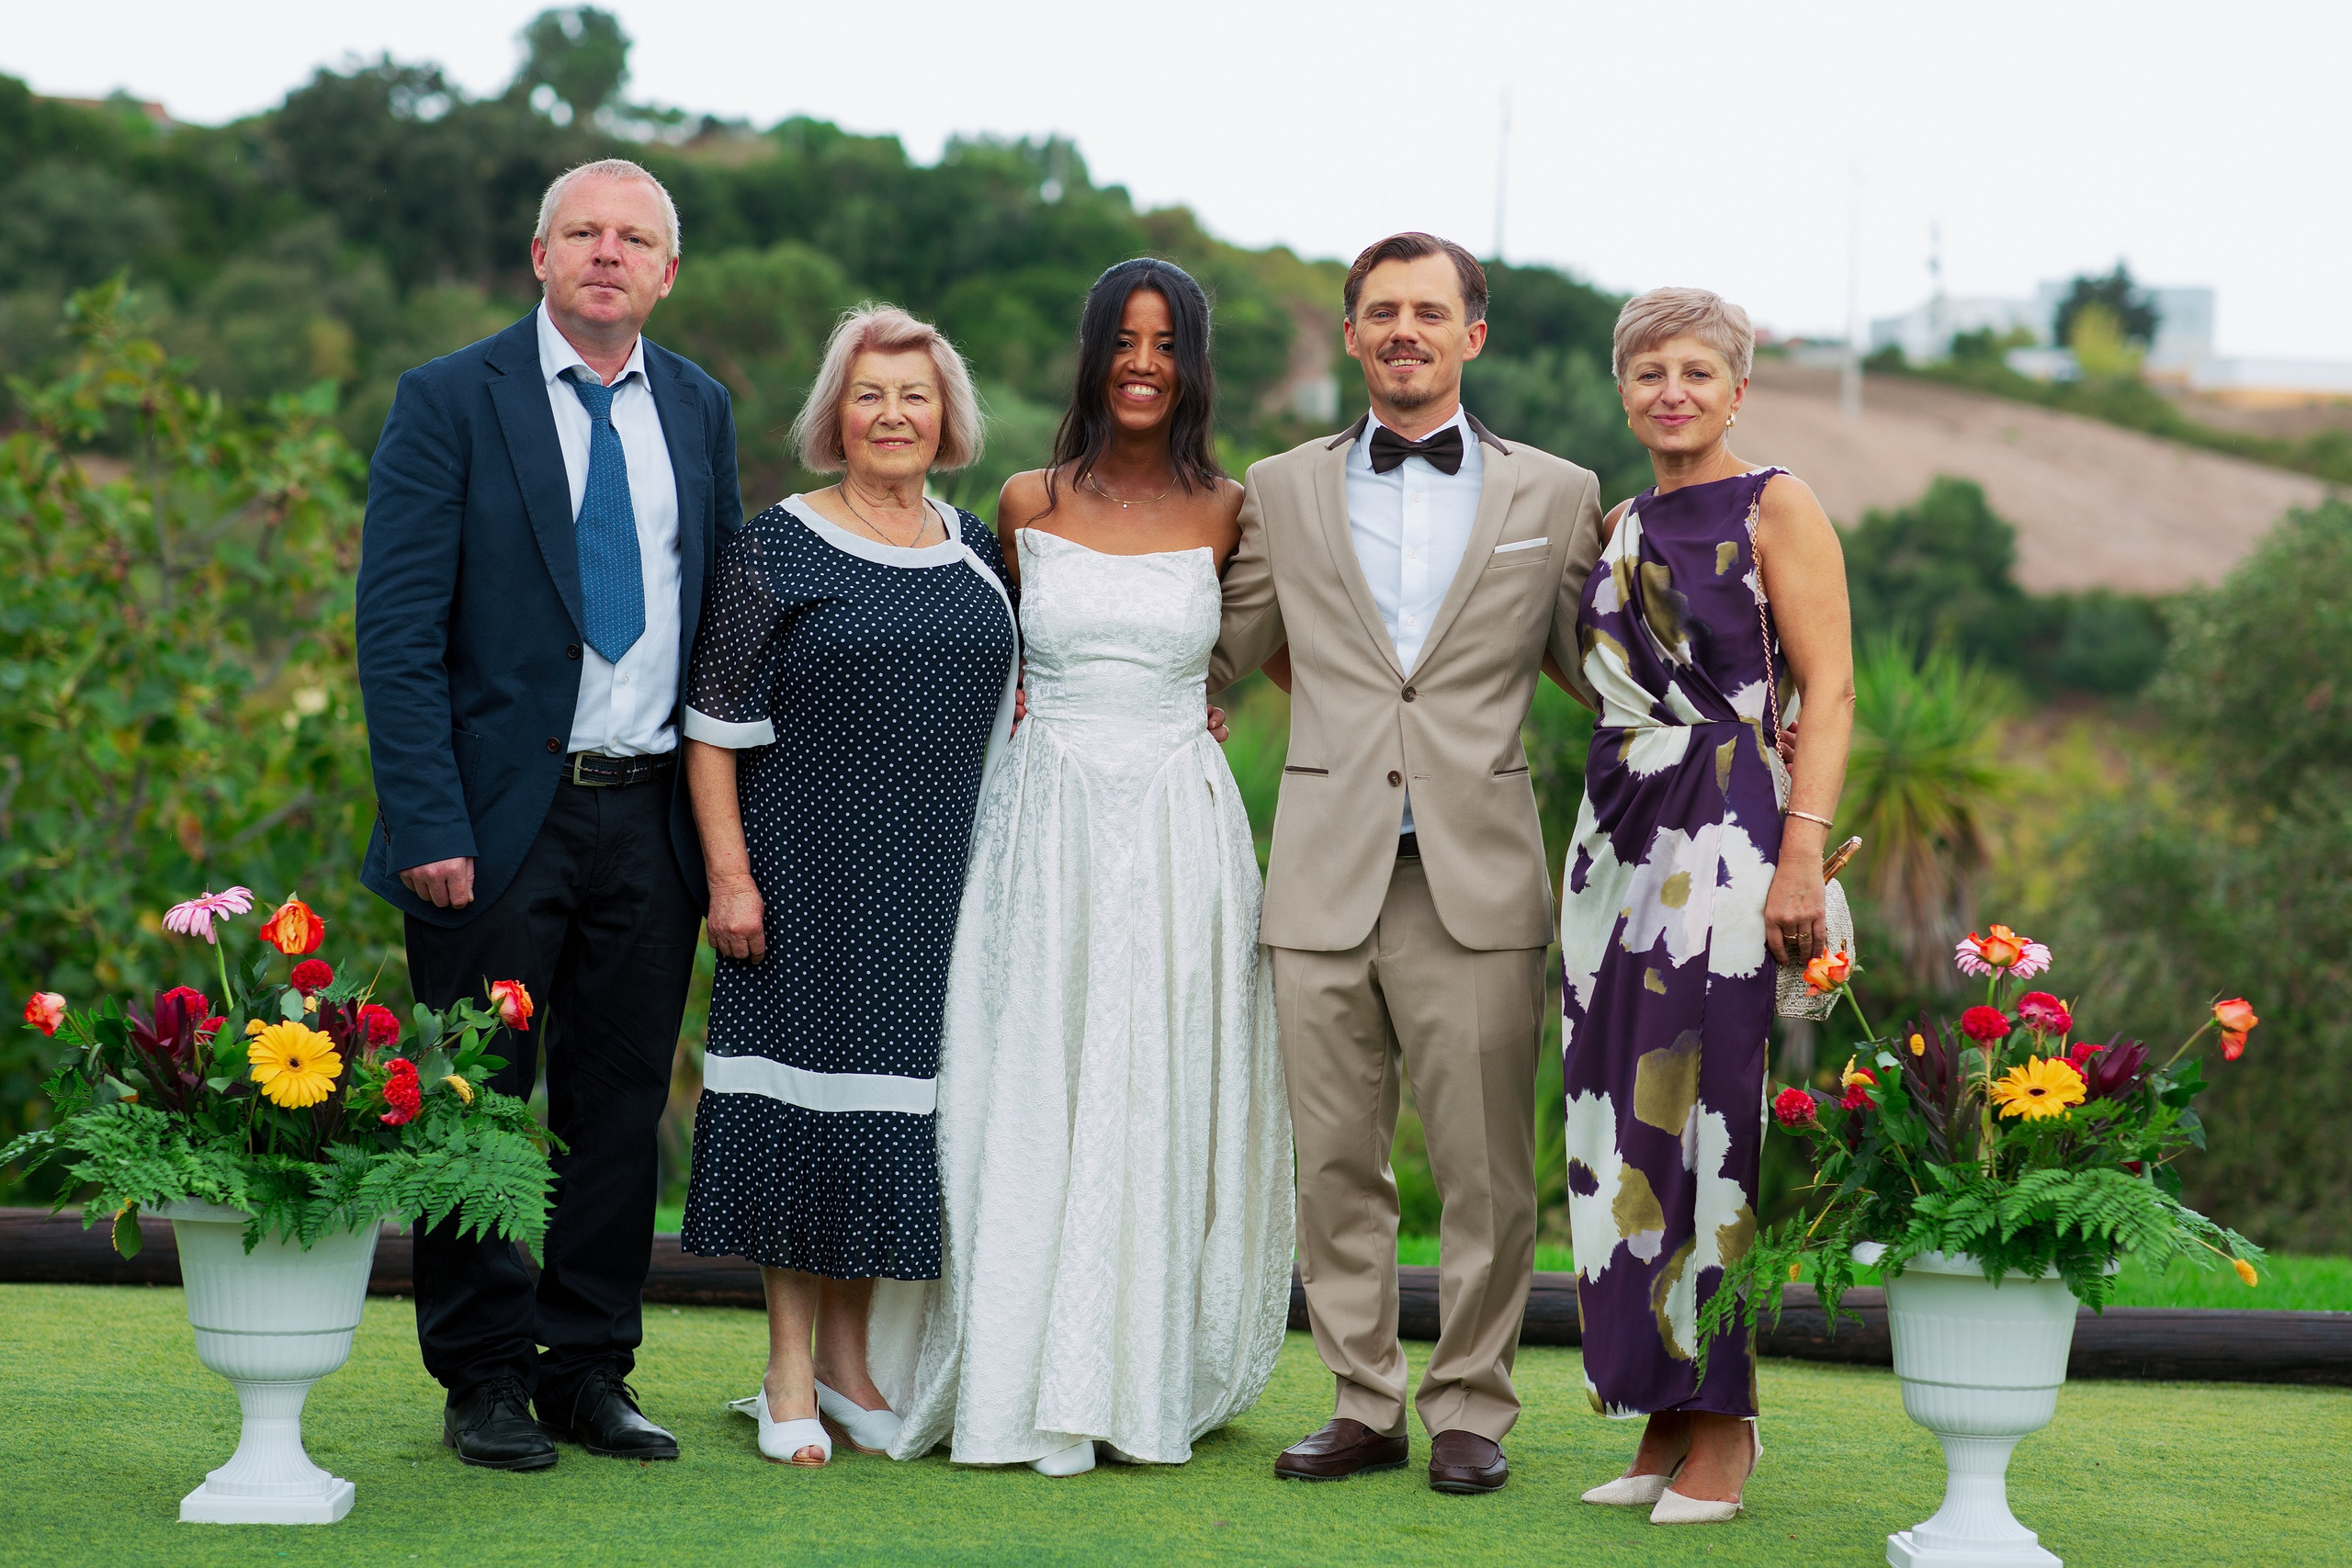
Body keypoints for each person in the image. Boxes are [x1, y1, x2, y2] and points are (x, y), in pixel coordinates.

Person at [356, 158, 740, 1470]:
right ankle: (481, 1378)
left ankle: (586, 1369)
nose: (606, 253)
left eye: (633, 238)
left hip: (651, 817)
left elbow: (720, 624)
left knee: (618, 1108)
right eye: (582, 232)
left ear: (667, 272)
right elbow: (397, 630)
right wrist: (427, 819)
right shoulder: (450, 398)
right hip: (491, 822)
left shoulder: (698, 406)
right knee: (473, 1102)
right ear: (540, 256)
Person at [1208, 232, 1603, 1495]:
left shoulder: (1557, 493)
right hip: (1320, 869)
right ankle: (1363, 1401)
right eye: (1381, 311)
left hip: (1475, 877)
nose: (1404, 331)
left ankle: (1473, 1406)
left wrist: (1748, 724)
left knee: (1486, 1168)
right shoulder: (1279, 486)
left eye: (1429, 311)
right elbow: (1219, 645)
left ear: (1471, 334)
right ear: (1351, 334)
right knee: (1334, 1161)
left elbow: (1603, 669)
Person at [889, 259, 1295, 1477]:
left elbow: (1284, 657)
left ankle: (1131, 1375)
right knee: (1029, 1073)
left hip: (1175, 826)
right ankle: (1015, 1372)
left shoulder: (1232, 510)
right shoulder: (1024, 499)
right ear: (1094, 353)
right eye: (1124, 339)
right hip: (1042, 821)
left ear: (1194, 365)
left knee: (1152, 1078)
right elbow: (978, 649)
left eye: (1166, 343)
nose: (1143, 363)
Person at [679, 305, 1018, 1469]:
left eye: (913, 395)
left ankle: (850, 1367)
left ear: (946, 416)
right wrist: (731, 878)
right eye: (869, 394)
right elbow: (712, 727)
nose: (892, 415)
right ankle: (787, 1373)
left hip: (938, 888)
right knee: (800, 1116)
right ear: (836, 413)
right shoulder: (775, 545)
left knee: (888, 1122)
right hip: (803, 877)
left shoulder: (977, 548)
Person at [1560, 287, 1852, 1525]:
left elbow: (1830, 689)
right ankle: (1660, 1409)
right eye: (1648, 372)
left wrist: (1802, 853)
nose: (1670, 392)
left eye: (1694, 372)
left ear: (1737, 390)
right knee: (1618, 1121)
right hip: (1613, 842)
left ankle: (1725, 1425)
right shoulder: (1618, 522)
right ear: (1623, 390)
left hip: (1730, 830)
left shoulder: (1774, 504)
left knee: (1712, 1121)